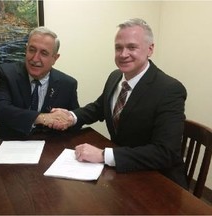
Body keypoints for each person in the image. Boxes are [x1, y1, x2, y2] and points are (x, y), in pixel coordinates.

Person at [51, 18, 188, 189]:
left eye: (132, 47)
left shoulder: (170, 89)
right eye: (118, 47)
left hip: (159, 182)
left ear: (150, 49)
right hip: (124, 176)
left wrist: (103, 155)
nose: (123, 54)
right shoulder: (115, 77)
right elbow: (99, 108)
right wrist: (71, 117)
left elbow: (165, 153)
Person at [0, 26, 80, 141]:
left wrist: (64, 121)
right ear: (26, 49)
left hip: (49, 146)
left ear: (55, 58)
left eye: (44, 53)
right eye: (32, 50)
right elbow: (1, 111)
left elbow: (73, 123)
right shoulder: (8, 74)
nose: (35, 58)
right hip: (9, 141)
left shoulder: (67, 84)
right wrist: (43, 118)